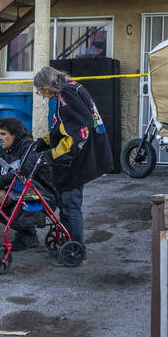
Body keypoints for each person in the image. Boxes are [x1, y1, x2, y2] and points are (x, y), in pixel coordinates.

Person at [32, 66, 115, 248]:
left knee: (70, 204)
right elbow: (63, 127)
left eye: (40, 92)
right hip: (79, 155)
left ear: (46, 87)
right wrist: (44, 141)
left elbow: (77, 132)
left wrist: (52, 153)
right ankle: (67, 241)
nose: (43, 95)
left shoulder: (67, 96)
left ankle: (75, 247)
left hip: (75, 159)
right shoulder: (69, 89)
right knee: (67, 203)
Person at [0, 117, 44, 250]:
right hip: (12, 194)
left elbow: (25, 171)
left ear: (14, 135)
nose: (0, 138)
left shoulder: (28, 146)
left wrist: (1, 182)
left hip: (34, 195)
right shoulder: (0, 152)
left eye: (3, 134)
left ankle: (27, 232)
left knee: (19, 199)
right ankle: (27, 234)